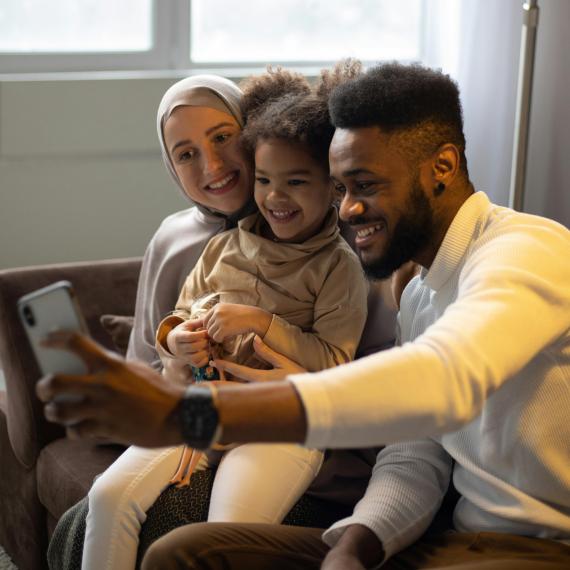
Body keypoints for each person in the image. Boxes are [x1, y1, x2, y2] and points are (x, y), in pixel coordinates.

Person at [39, 62, 570, 569]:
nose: (346, 210)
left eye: (364, 185)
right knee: (185, 553)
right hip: (449, 540)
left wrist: (191, 415)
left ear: (443, 168)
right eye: (339, 189)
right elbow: (415, 454)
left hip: (539, 550)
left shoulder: (526, 249)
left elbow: (445, 379)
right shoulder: (419, 295)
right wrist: (357, 544)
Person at [80, 64, 370, 570]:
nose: (275, 196)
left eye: (222, 139)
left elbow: (343, 368)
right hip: (197, 405)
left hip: (280, 425)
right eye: (186, 153)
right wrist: (177, 341)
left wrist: (262, 323)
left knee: (222, 538)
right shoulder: (218, 246)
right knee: (107, 497)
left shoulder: (342, 262)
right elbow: (171, 322)